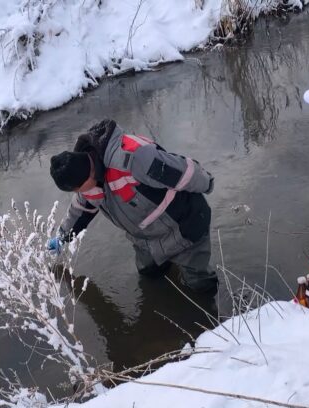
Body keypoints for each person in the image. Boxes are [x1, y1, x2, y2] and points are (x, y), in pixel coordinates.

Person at [48, 119, 218, 295]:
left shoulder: (134, 159)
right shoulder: (87, 181)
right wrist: (62, 236)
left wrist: (208, 183)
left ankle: (218, 317)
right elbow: (80, 209)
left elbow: (185, 173)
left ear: (87, 176)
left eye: (77, 189)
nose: (79, 193)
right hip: (148, 240)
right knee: (149, 277)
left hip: (185, 225)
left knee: (200, 284)